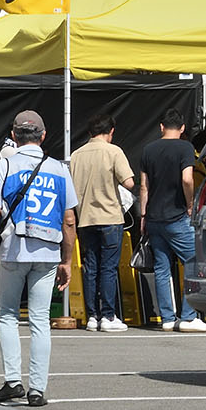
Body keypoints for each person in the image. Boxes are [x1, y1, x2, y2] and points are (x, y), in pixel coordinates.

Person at [0, 110, 78, 407]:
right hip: (48, 252)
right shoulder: (59, 169)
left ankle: (13, 381)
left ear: (14, 136)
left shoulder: (5, 165)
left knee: (8, 314)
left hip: (14, 250)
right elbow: (69, 220)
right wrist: (67, 260)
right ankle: (37, 389)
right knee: (40, 320)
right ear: (43, 136)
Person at [140, 109, 206, 333]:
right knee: (192, 263)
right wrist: (191, 204)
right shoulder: (185, 148)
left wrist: (143, 215)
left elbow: (144, 186)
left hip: (154, 216)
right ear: (183, 128)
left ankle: (166, 317)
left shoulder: (148, 149)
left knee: (162, 268)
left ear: (161, 127)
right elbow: (187, 178)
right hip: (176, 216)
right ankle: (188, 316)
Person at [69, 112, 135, 332]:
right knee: (108, 268)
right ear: (111, 132)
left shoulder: (76, 155)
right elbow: (129, 182)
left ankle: (91, 317)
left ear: (89, 132)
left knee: (91, 267)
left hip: (85, 218)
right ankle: (108, 315)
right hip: (109, 217)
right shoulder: (114, 151)